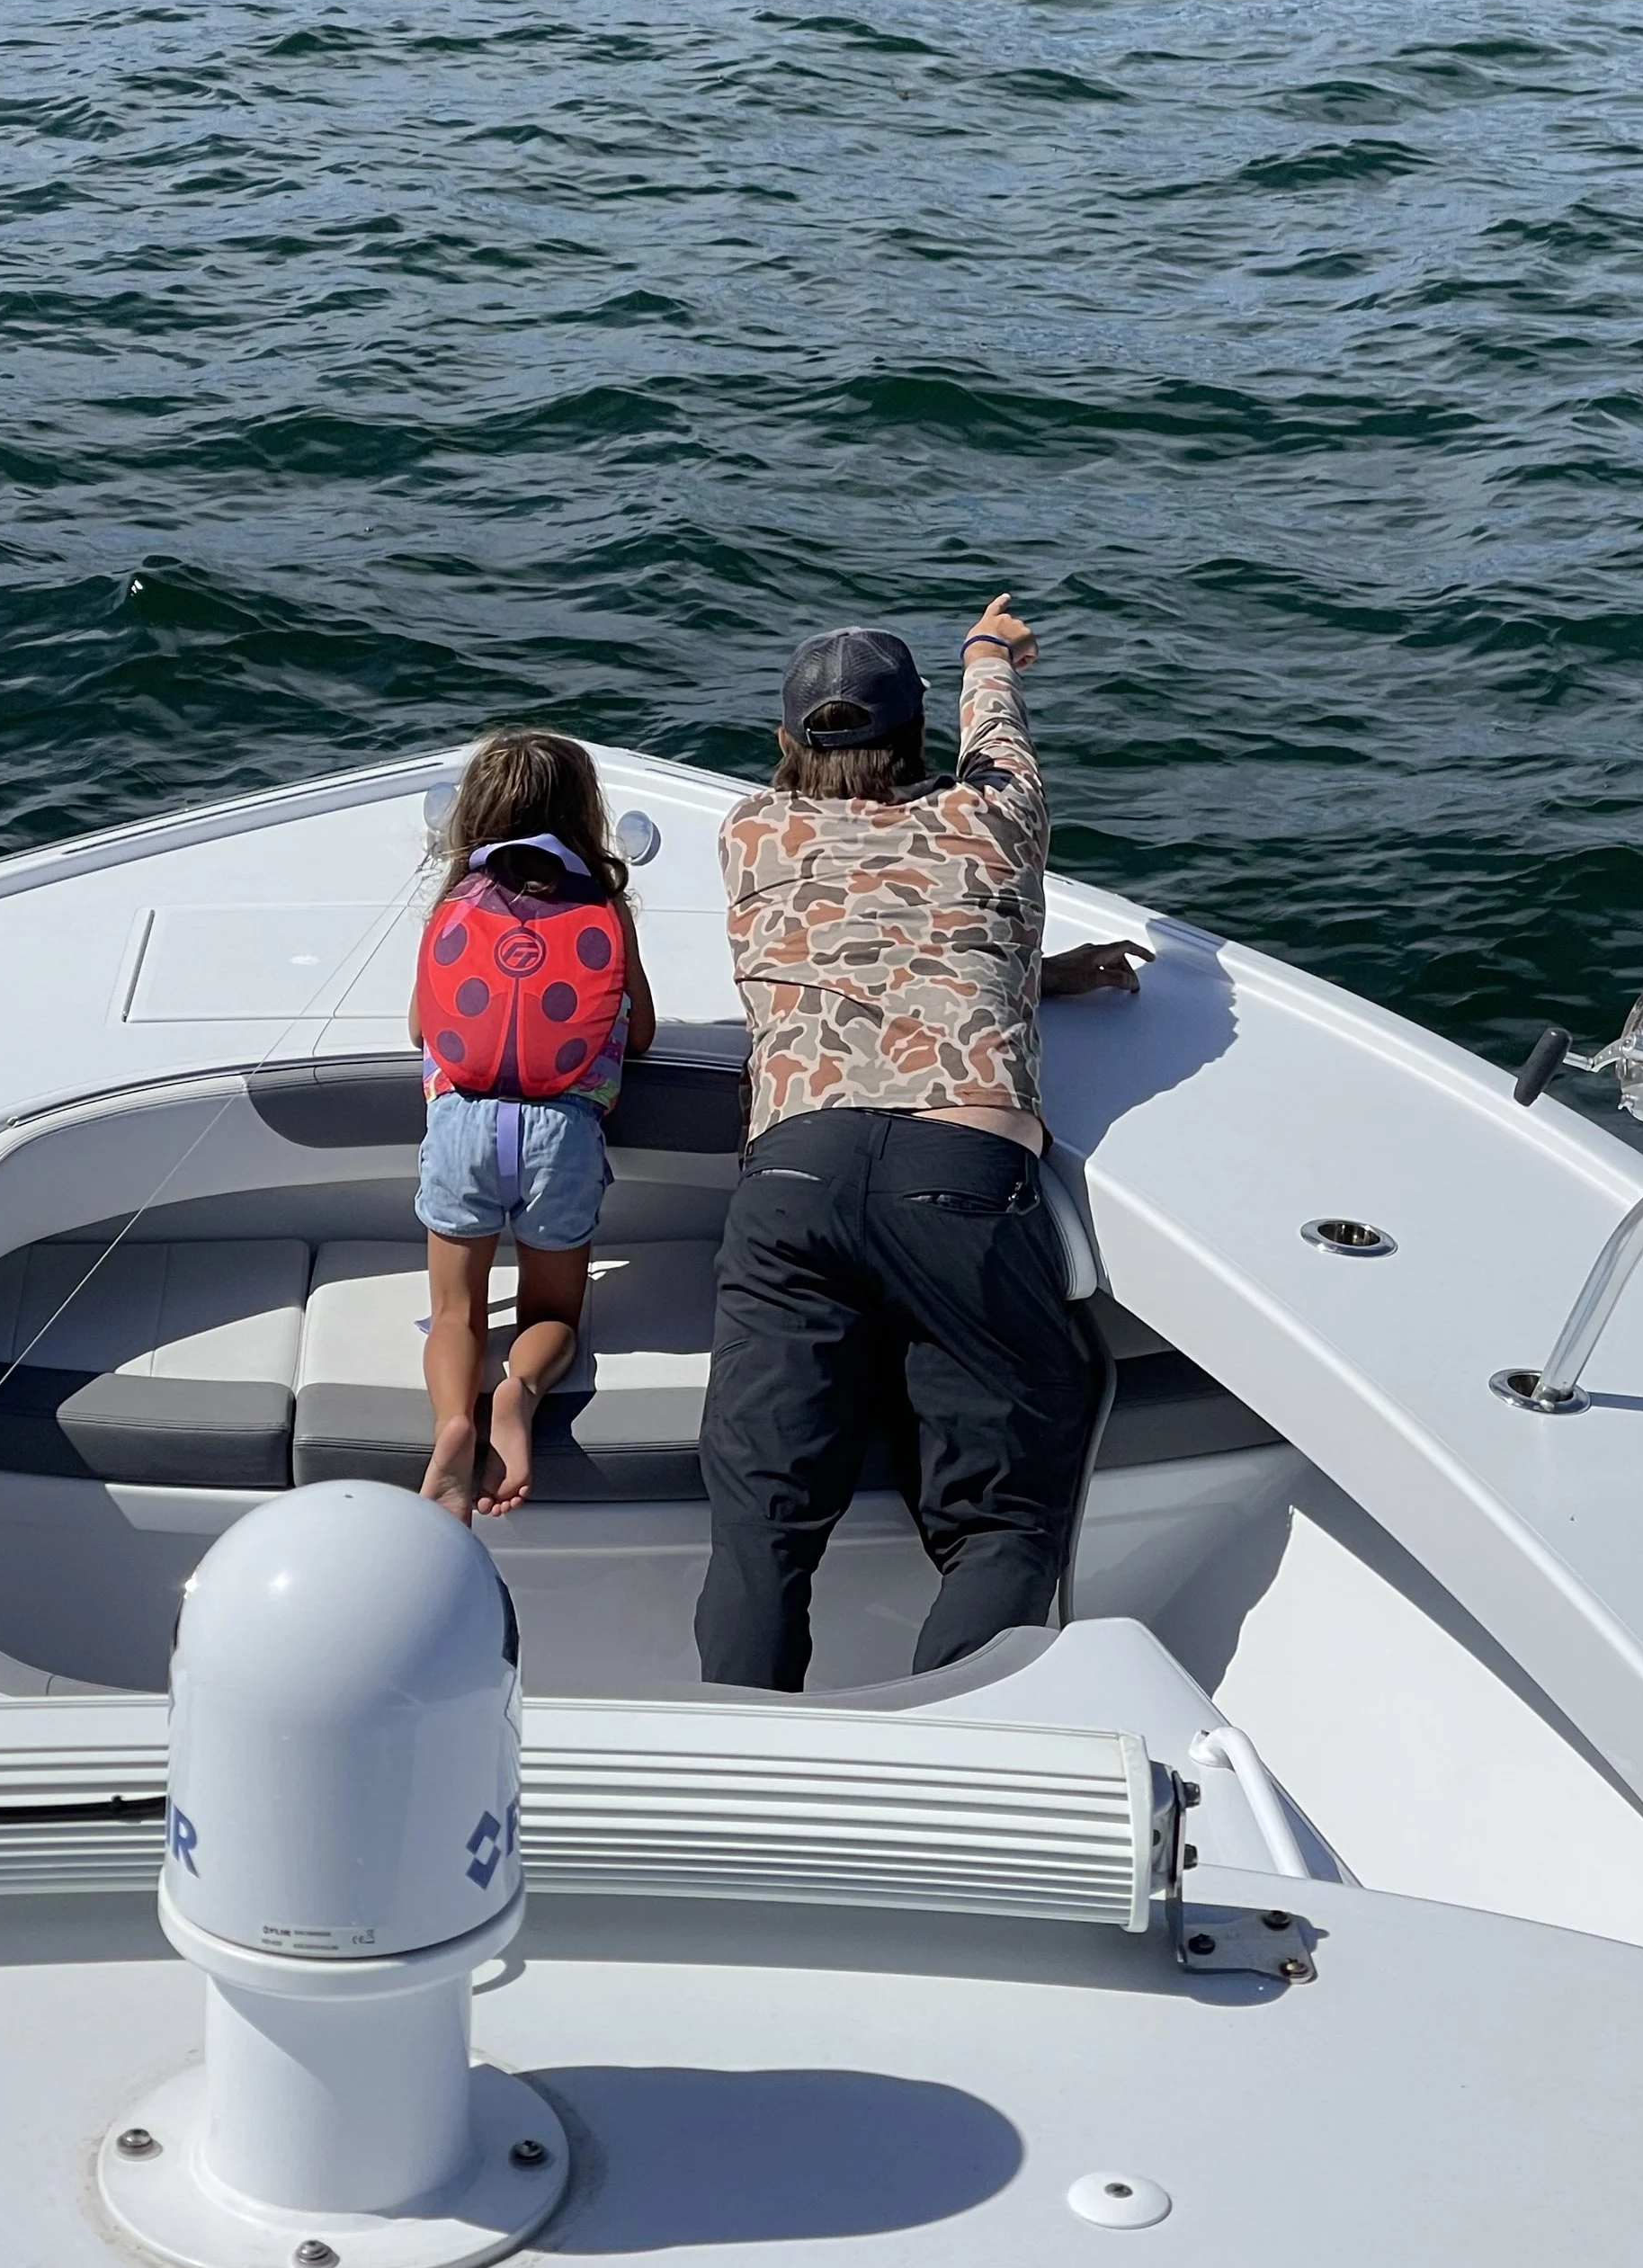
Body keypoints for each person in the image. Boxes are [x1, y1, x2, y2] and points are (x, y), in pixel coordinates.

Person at [695, 592, 1151, 1689]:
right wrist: (988, 650)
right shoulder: (994, 819)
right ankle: (956, 1741)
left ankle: (745, 1769)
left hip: (794, 1179)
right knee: (1006, 1512)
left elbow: (854, 941)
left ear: (784, 748)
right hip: (958, 1179)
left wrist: (1026, 976)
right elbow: (994, 745)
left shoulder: (753, 833)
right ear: (916, 742)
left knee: (763, 1524)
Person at [408, 728, 656, 1522]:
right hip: (563, 1135)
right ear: (585, 818)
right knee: (552, 1315)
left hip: (460, 1126)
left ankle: (454, 1422)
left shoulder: (455, 904)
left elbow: (423, 1029)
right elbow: (640, 1031)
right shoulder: (605, 909)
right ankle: (517, 1393)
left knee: (456, 1314)